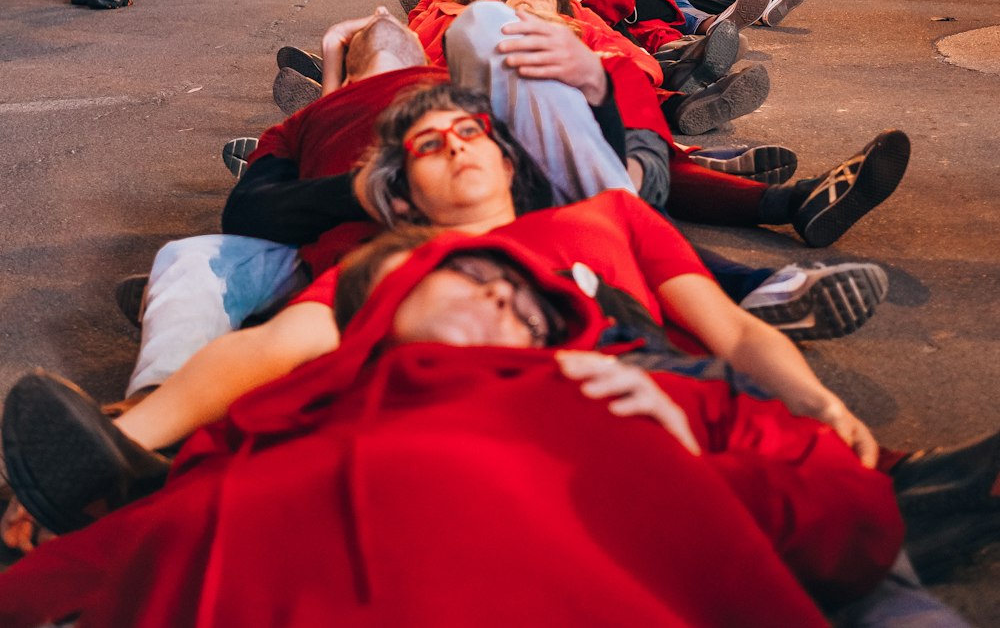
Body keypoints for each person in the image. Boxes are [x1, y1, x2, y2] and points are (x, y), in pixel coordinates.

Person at [0, 220, 924, 627]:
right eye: (474, 273)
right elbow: (91, 574)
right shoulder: (276, 427)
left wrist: (713, 465)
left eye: (522, 291)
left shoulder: (634, 391)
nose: (505, 295)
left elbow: (855, 516)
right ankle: (129, 445)